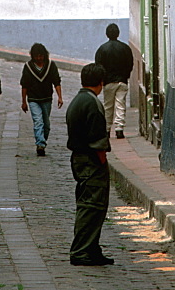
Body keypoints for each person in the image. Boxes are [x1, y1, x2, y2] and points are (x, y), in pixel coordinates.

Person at [65, 62, 113, 267]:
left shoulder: (78, 100)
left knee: (89, 204)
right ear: (100, 83)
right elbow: (97, 140)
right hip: (90, 161)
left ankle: (92, 248)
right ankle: (82, 250)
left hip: (80, 159)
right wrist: (103, 163)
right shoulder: (92, 103)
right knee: (92, 206)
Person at [20, 43, 62, 156]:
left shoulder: (50, 66)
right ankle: (40, 144)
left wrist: (60, 97)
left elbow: (56, 82)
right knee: (38, 121)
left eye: (41, 56)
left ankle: (42, 140)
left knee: (46, 124)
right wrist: (23, 101)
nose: (39, 58)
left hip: (47, 99)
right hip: (33, 99)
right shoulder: (28, 67)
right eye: (36, 56)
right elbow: (24, 85)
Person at [94, 23, 133, 139]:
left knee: (108, 106)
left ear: (107, 34)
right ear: (118, 33)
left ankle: (106, 129)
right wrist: (125, 76)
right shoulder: (125, 48)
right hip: (122, 80)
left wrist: (102, 80)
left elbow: (98, 66)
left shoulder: (102, 49)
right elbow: (130, 64)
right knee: (121, 105)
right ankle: (119, 128)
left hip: (108, 82)